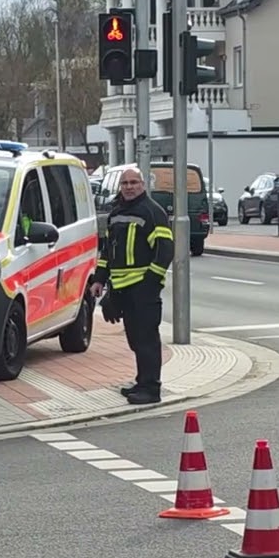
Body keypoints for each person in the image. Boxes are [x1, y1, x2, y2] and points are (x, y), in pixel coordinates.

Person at [90, 166, 175, 405]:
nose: (129, 187)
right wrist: (99, 279)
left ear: (143, 185)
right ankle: (142, 382)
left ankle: (151, 389)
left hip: (144, 288)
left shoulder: (153, 212)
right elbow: (108, 251)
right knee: (135, 339)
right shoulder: (116, 213)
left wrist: (150, 283)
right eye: (125, 183)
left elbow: (165, 250)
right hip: (122, 288)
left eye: (134, 182)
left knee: (147, 340)